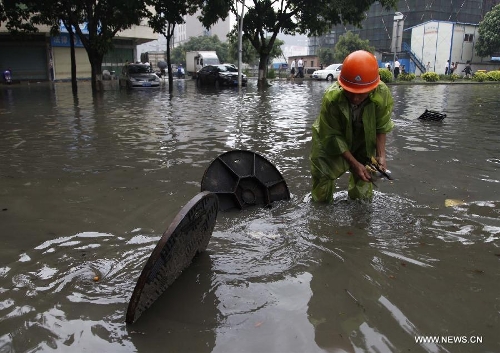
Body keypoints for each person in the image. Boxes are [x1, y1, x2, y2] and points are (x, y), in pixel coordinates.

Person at [310, 50, 395, 202]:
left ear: (373, 88)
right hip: (330, 139)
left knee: (363, 183)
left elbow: (382, 126)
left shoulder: (382, 93)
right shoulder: (332, 99)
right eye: (350, 92)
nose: (355, 98)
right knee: (322, 178)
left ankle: (359, 218)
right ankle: (321, 217)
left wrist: (381, 156)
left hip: (363, 138)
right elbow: (332, 136)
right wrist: (353, 163)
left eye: (361, 93)